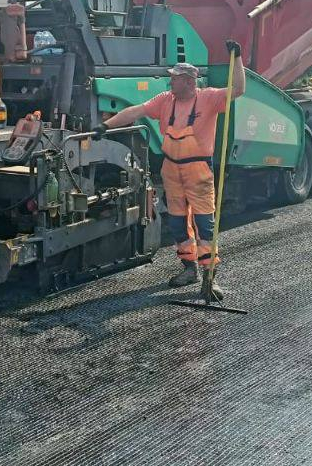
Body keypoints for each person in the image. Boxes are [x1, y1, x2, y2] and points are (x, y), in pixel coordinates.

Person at [99, 42, 246, 289]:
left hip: (198, 170)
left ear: (189, 82)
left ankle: (210, 276)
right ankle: (190, 270)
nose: (171, 83)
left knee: (205, 225)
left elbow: (238, 90)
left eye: (175, 79)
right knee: (177, 223)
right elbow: (135, 112)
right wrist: (105, 127)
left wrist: (238, 57)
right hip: (171, 169)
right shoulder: (166, 100)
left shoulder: (209, 98)